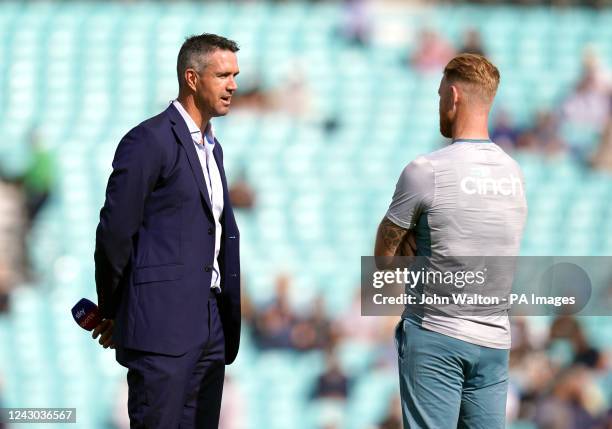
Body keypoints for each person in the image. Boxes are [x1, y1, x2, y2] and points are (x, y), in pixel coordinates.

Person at [93, 33, 241, 428]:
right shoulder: (149, 140)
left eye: (235, 75)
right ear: (192, 78)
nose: (233, 85)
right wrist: (112, 310)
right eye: (223, 75)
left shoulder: (214, 148)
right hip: (161, 326)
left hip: (210, 324)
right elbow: (114, 232)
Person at [374, 54, 527, 428]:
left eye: (440, 94)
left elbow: (383, 257)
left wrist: (410, 239)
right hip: (494, 341)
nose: (439, 103)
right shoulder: (513, 172)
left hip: (436, 335)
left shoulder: (426, 171)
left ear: (454, 96)